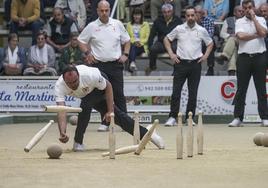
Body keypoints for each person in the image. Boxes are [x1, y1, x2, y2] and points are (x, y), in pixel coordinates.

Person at [55, 65, 165, 151]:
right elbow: (61, 110)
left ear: (79, 75)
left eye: (75, 81)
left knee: (87, 106)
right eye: (69, 83)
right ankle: (148, 134)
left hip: (102, 86)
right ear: (64, 80)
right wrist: (62, 132)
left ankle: (78, 142)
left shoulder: (90, 75)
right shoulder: (59, 86)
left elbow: (108, 87)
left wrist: (110, 111)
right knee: (118, 118)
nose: (73, 85)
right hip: (88, 94)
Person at [78, 0, 130, 132]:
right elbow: (81, 41)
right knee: (101, 94)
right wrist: (87, 53)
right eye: (101, 10)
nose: (104, 13)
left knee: (119, 94)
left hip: (116, 65)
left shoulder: (117, 24)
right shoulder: (92, 26)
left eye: (106, 10)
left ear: (109, 9)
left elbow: (127, 40)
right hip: (99, 66)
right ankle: (105, 122)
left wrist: (126, 54)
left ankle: (125, 123)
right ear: (97, 11)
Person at [163, 6, 213, 126]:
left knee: (193, 93)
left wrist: (205, 56)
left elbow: (210, 43)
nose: (190, 17)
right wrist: (171, 54)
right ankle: (172, 117)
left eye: (192, 15)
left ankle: (189, 118)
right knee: (176, 92)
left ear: (196, 15)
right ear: (185, 16)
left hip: (195, 64)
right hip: (180, 63)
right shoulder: (179, 28)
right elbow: (166, 39)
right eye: (188, 15)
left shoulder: (201, 30)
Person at [229, 0, 268, 127]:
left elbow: (263, 33)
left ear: (254, 7)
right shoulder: (239, 21)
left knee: (261, 89)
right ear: (242, 9)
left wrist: (254, 19)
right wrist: (256, 35)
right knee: (241, 89)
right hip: (244, 58)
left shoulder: (261, 19)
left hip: (260, 57)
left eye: (250, 7)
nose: (247, 10)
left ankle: (264, 117)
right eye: (245, 8)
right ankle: (238, 118)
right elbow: (240, 36)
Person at [145, 3, 183, 75]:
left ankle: (176, 69)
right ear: (162, 12)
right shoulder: (158, 21)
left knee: (178, 49)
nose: (167, 14)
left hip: (173, 42)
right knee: (153, 49)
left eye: (168, 12)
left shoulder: (178, 21)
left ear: (172, 12)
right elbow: (152, 35)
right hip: (161, 43)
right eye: (165, 12)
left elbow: (182, 35)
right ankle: (152, 66)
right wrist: (149, 46)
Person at [216, 5, 244, 76]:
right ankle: (232, 71)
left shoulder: (245, 21)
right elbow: (222, 33)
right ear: (234, 13)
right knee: (233, 46)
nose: (241, 12)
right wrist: (230, 35)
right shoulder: (228, 20)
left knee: (233, 39)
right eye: (239, 11)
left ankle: (224, 56)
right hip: (228, 44)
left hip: (241, 43)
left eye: (242, 11)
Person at [126, 7, 150, 72]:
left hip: (142, 47)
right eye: (135, 15)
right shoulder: (129, 25)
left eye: (138, 15)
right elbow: (127, 37)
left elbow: (147, 38)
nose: (137, 16)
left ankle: (132, 63)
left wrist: (140, 42)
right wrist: (135, 41)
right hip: (133, 45)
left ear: (141, 16)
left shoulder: (146, 24)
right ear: (132, 15)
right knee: (132, 46)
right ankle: (132, 63)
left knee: (132, 47)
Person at [195, 5, 216, 76]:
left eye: (199, 12)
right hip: (195, 43)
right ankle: (195, 69)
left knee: (210, 43)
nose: (197, 14)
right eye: (196, 12)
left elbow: (210, 34)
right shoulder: (191, 21)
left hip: (206, 43)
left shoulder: (209, 20)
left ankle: (210, 68)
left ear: (202, 13)